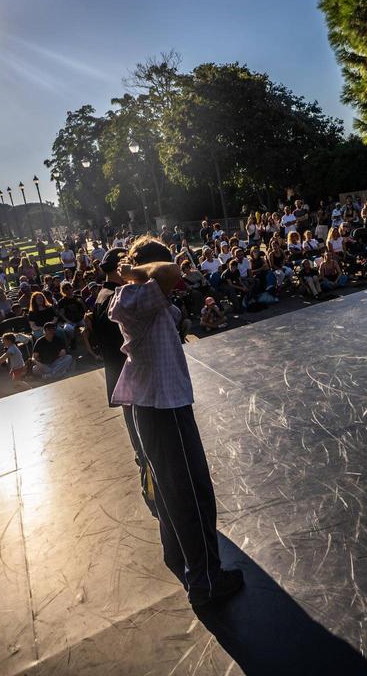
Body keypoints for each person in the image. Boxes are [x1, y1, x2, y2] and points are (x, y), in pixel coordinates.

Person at [108, 236, 244, 607]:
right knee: (191, 494)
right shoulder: (137, 294)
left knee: (171, 492)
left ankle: (182, 558)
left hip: (158, 408)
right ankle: (207, 581)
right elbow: (170, 271)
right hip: (164, 410)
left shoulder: (147, 300)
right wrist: (133, 271)